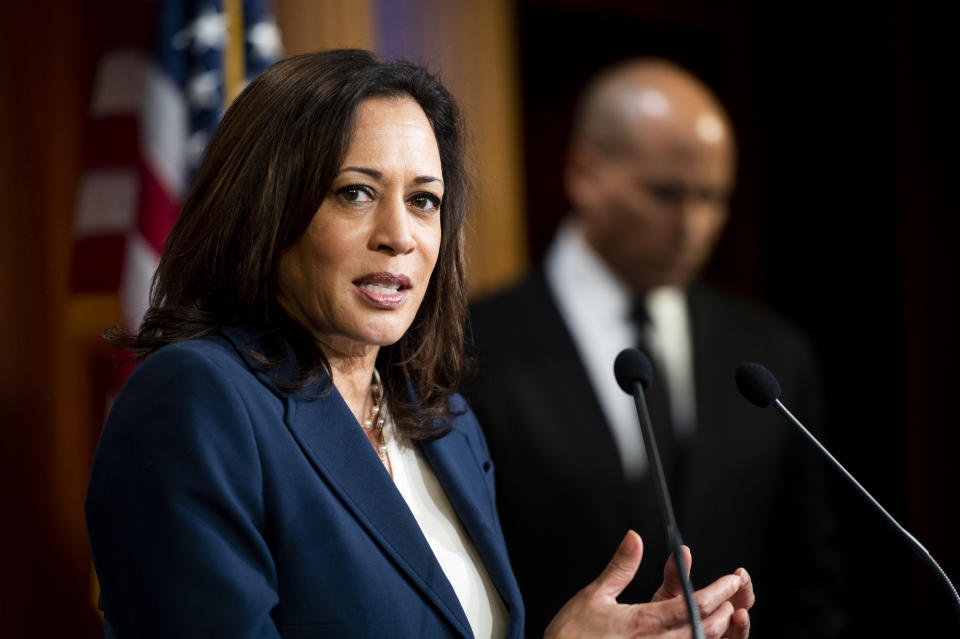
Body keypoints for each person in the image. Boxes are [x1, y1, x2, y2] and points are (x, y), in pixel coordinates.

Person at [85, 50, 754, 639]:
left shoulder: (445, 424)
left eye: (425, 201)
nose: (399, 236)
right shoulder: (197, 401)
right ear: (266, 209)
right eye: (355, 193)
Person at [466, 58, 845, 637]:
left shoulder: (772, 353)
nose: (693, 225)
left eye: (714, 198)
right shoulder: (470, 346)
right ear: (584, 172)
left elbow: (811, 585)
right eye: (667, 193)